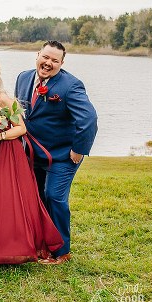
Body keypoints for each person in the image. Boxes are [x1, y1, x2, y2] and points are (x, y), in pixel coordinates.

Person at [0, 59, 64, 264]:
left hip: (4, 153)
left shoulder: (3, 99)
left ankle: (7, 246)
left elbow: (21, 128)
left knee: (0, 199)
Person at [15, 41, 98, 264]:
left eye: (55, 60)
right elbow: (20, 113)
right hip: (34, 154)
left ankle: (62, 250)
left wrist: (79, 150)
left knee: (54, 197)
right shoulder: (23, 78)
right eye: (46, 57)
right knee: (38, 198)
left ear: (62, 63)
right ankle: (43, 244)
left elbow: (88, 119)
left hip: (63, 156)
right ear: (37, 55)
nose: (48, 63)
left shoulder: (71, 86)